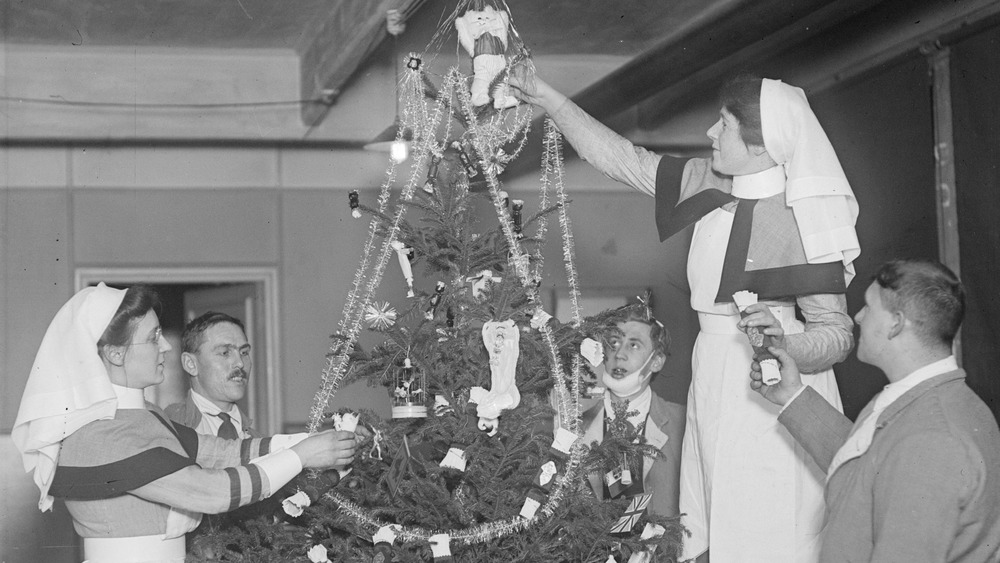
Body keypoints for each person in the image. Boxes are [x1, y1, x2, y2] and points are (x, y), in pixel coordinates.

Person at [511, 73, 860, 561]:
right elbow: (617, 157)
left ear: (761, 145)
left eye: (725, 124)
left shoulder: (803, 213)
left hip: (775, 389)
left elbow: (838, 334)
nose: (712, 133)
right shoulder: (709, 180)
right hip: (713, 375)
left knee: (767, 528)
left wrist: (786, 343)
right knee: (708, 524)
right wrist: (551, 97)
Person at [11, 283, 358, 562]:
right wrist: (302, 455)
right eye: (152, 337)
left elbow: (222, 452)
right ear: (115, 354)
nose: (164, 346)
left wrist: (308, 441)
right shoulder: (99, 434)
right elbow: (212, 491)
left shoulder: (145, 415)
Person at [747, 259, 1000, 562]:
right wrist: (792, 396)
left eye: (868, 307)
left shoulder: (933, 440)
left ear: (896, 323)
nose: (857, 317)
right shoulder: (929, 397)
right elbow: (869, 468)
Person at [580, 308, 685, 517]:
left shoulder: (683, 422)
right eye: (614, 343)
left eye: (633, 345)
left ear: (656, 361)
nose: (619, 354)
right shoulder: (577, 426)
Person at [166, 312, 257, 439]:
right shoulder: (169, 429)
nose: (240, 363)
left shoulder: (260, 443)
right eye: (225, 353)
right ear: (191, 364)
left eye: (244, 352)